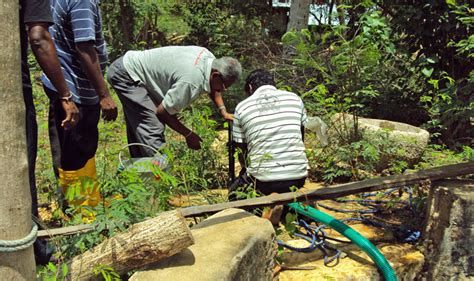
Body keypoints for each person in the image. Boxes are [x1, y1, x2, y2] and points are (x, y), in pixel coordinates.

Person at [41, 0, 118, 211]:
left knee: (65, 149)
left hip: (60, 84)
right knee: (79, 152)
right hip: (77, 89)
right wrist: (104, 95)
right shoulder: (82, 1)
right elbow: (84, 47)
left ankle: (69, 203)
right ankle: (83, 211)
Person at [19, 0, 81, 264]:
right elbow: (39, 37)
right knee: (19, 171)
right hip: (9, 92)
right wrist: (65, 94)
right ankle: (32, 249)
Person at [107, 46, 241, 157]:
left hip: (134, 70)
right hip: (127, 76)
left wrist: (223, 111)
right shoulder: (191, 81)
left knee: (141, 126)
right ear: (215, 75)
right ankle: (159, 179)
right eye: (224, 86)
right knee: (152, 126)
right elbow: (162, 112)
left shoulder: (209, 58)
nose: (223, 90)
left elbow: (213, 87)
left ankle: (140, 175)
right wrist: (188, 135)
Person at [231, 69, 308, 223]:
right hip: (298, 176)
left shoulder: (242, 107)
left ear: (251, 88)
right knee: (288, 189)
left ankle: (270, 206)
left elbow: (241, 150)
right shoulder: (295, 99)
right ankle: (294, 205)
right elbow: (301, 135)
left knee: (234, 193)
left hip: (263, 181)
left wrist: (246, 171)